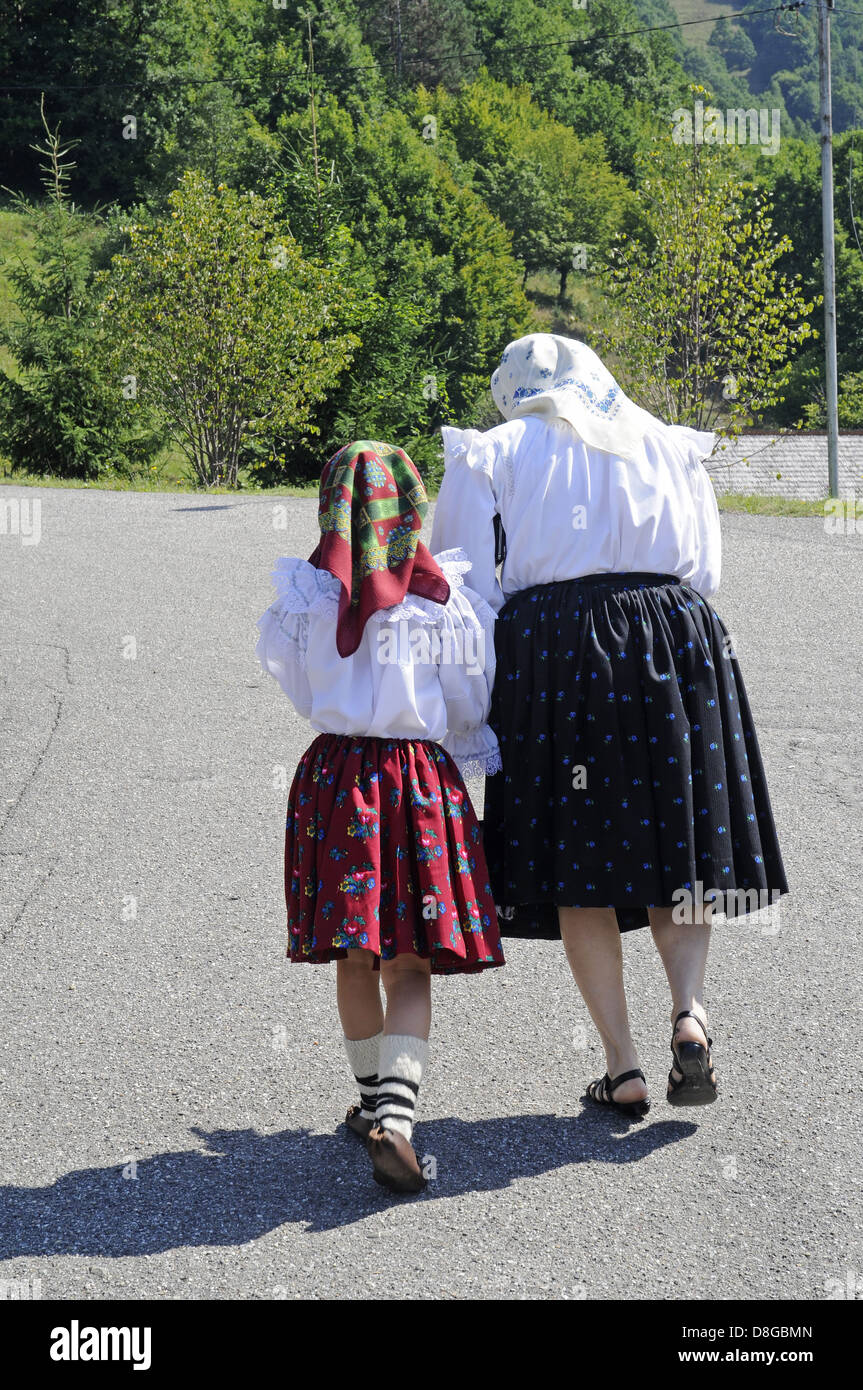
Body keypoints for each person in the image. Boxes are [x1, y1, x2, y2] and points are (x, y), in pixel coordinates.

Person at [430, 333, 788, 1116]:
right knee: (678, 841)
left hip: (555, 647)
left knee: (575, 853)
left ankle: (622, 1064)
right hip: (673, 635)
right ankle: (688, 1011)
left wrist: (469, 699)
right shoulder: (664, 443)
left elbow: (455, 583)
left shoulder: (493, 452)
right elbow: (704, 570)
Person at [255, 439, 504, 1192]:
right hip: (417, 783)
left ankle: (369, 1104)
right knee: (411, 958)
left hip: (336, 780)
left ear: (329, 505)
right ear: (413, 503)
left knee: (355, 949)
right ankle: (397, 1114)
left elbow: (297, 688)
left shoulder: (304, 596)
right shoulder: (443, 598)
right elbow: (470, 699)